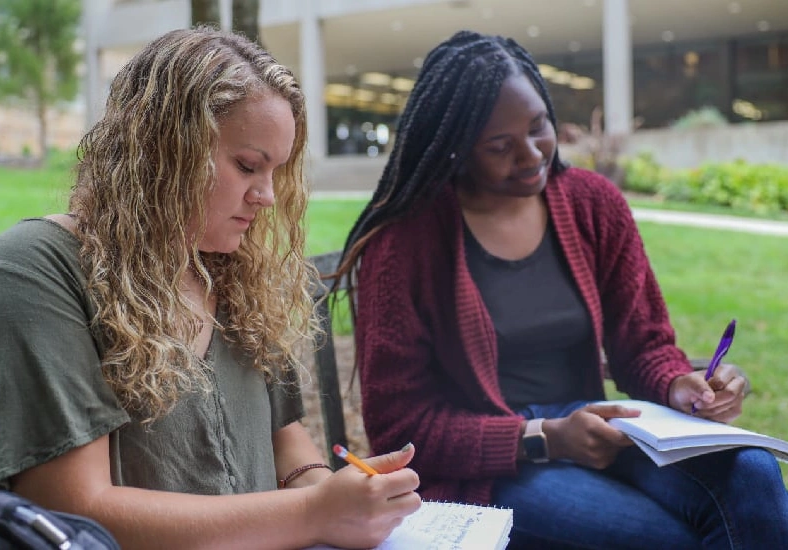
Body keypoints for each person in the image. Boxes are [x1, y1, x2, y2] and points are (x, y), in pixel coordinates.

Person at [335, 30, 788, 549]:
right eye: (500, 146)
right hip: (491, 467)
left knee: (753, 475)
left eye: (539, 128)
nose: (531, 155)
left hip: (603, 429)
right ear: (456, 148)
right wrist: (543, 439)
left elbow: (643, 342)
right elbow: (401, 426)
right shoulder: (406, 243)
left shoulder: (593, 204)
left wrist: (677, 383)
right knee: (664, 538)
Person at [0, 26, 421, 549]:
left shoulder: (232, 269)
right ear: (165, 149)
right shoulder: (33, 272)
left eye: (275, 171)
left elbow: (284, 438)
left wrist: (329, 492)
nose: (266, 196)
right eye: (246, 166)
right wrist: (312, 513)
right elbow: (74, 508)